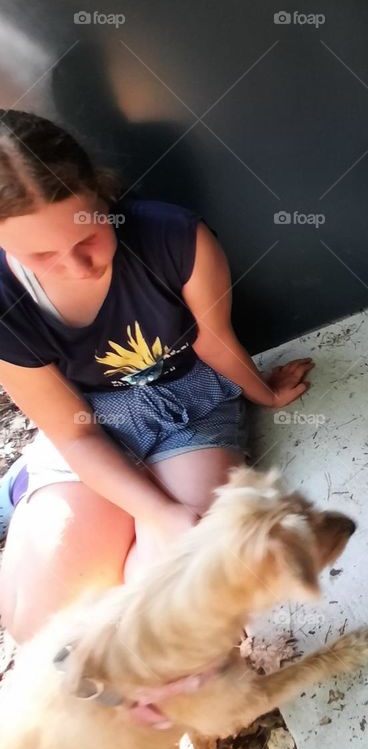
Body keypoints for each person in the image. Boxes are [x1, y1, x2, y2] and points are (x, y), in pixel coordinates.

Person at [0, 111, 312, 642]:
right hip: (90, 419)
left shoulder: (174, 236)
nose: (78, 267)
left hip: (191, 404)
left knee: (176, 610)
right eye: (41, 255)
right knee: (39, 624)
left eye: (88, 234)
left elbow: (214, 342)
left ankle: (40, 490)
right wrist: (156, 510)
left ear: (101, 196)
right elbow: (73, 431)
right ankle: (41, 483)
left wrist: (264, 393)